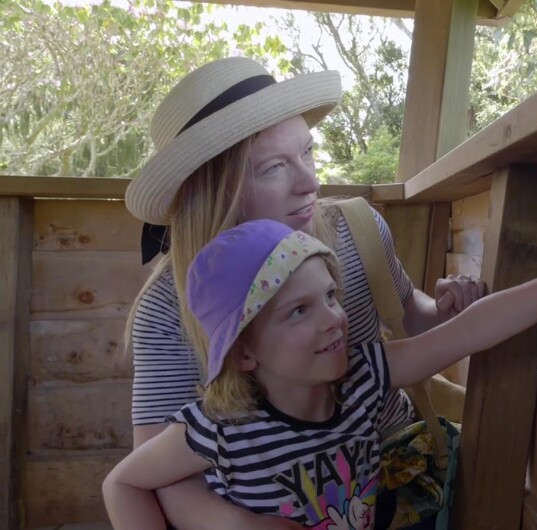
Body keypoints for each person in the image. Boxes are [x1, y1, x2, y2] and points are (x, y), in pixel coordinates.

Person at [104, 198, 537, 530]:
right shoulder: (222, 428)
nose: (334, 320)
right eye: (300, 310)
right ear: (244, 352)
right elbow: (123, 486)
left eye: (331, 297)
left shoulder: (366, 375)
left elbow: (474, 328)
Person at [124, 56, 484, 529]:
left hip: (395, 482)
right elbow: (157, 471)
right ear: (215, 193)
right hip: (261, 503)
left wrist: (448, 307)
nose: (311, 182)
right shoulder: (166, 307)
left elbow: (412, 318)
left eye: (307, 154)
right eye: (274, 168)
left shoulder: (356, 231)